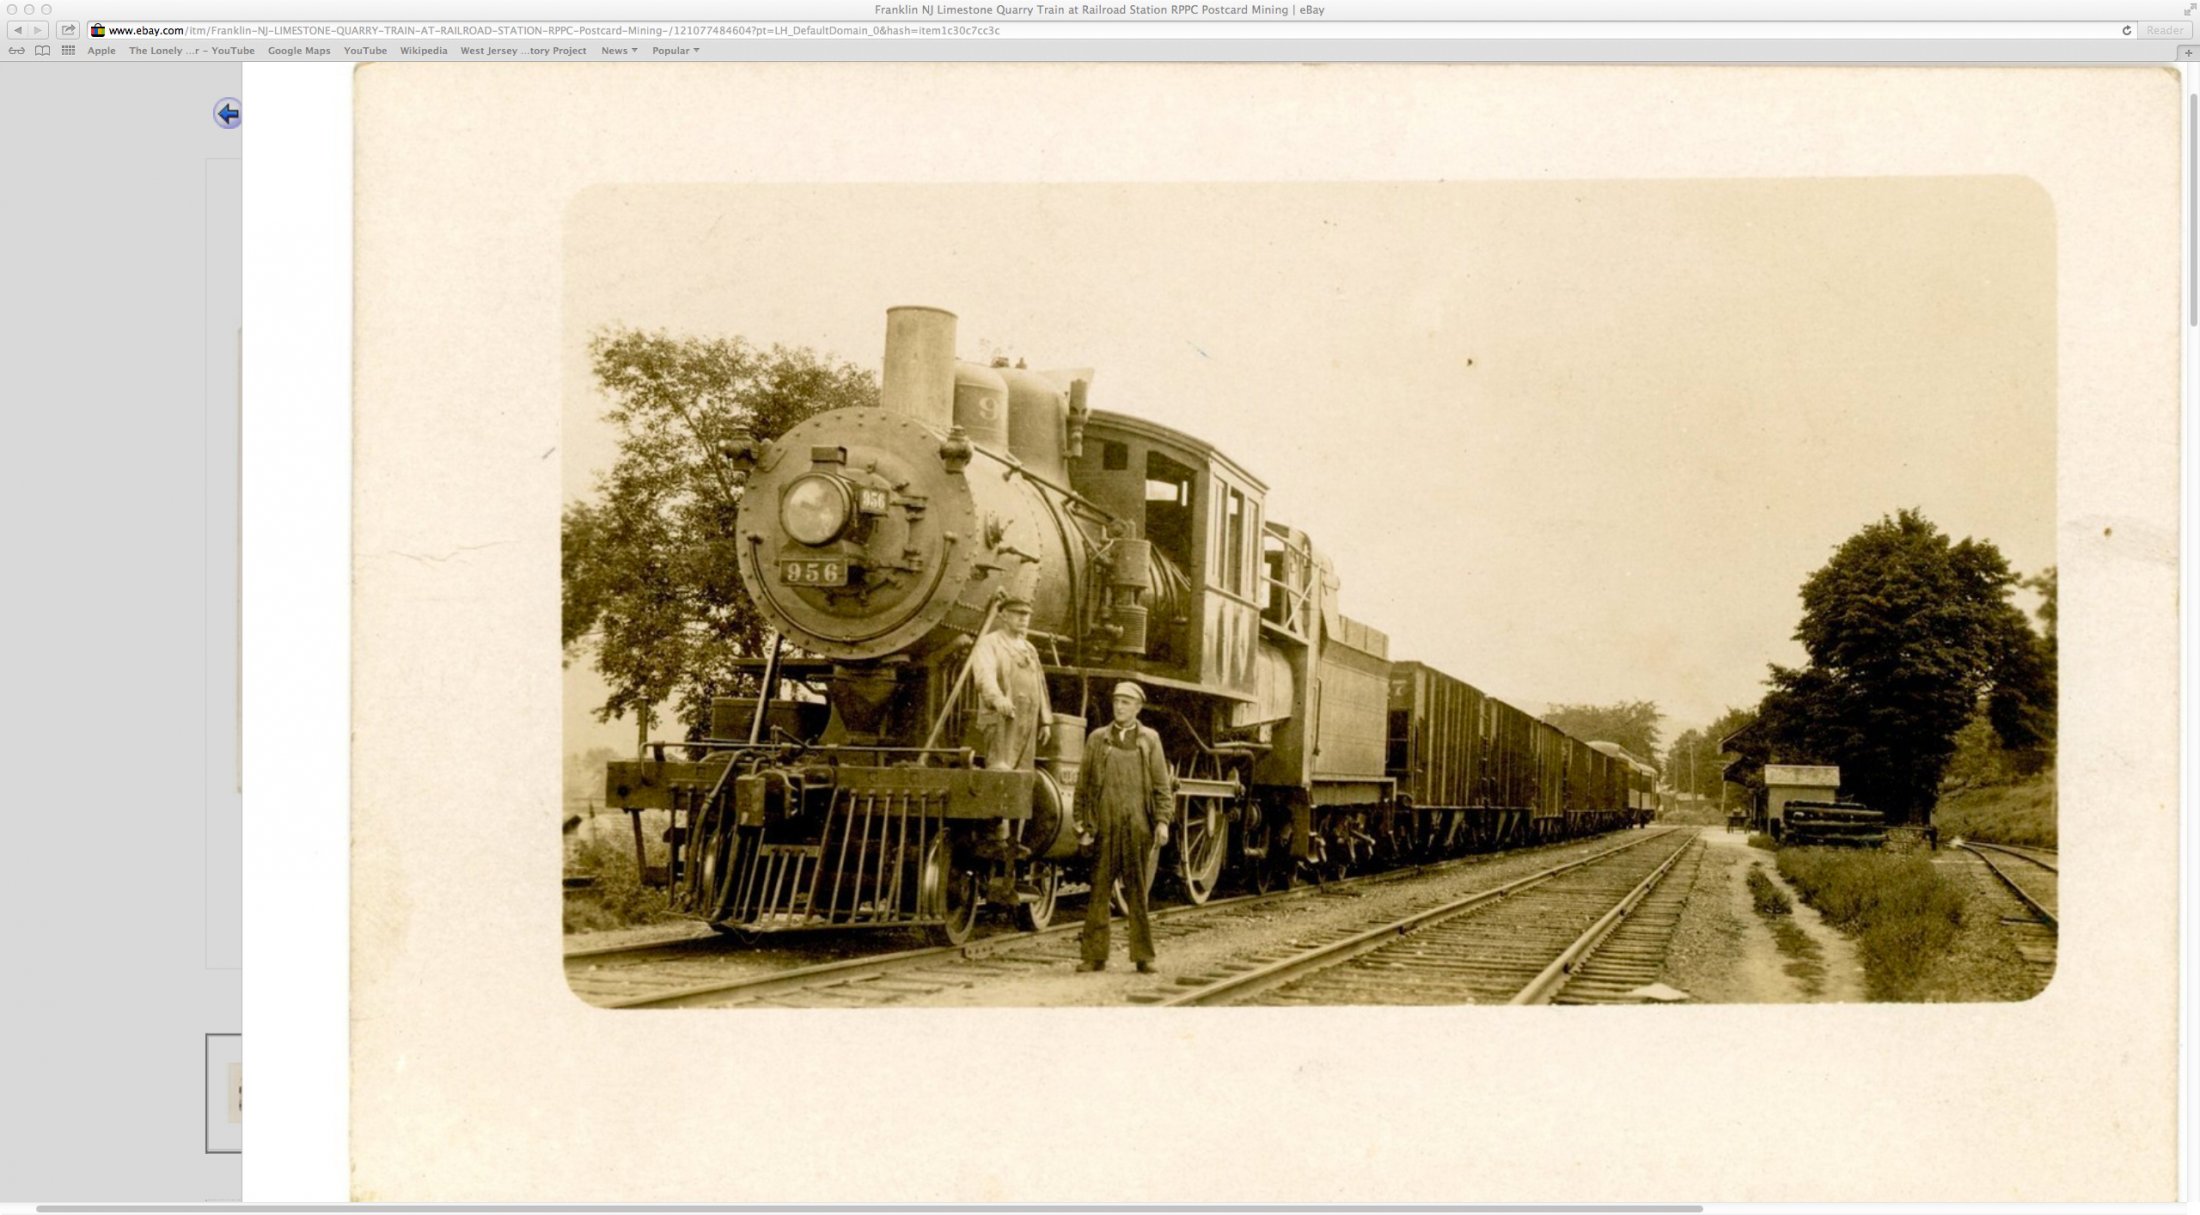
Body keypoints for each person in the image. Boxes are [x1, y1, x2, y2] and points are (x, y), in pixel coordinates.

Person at [1076, 681, 1173, 974]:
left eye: (1126, 702)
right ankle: (1094, 956)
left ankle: (1144, 956)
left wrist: (1162, 821)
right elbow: (1082, 785)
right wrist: (1082, 822)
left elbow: (1161, 784)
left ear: (1138, 707)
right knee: (1099, 891)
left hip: (1138, 826)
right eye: (1117, 701)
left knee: (1138, 892)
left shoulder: (1149, 739)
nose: (1120, 706)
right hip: (1105, 825)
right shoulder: (1097, 739)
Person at [968, 596, 1051, 770]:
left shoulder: (1029, 648)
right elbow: (984, 676)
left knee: (1024, 770)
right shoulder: (989, 643)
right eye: (1018, 614)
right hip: (1002, 717)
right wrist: (997, 698)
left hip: (1027, 718)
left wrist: (1045, 720)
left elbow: (1040, 683)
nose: (1024, 618)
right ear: (1004, 616)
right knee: (1000, 769)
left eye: (1027, 614)